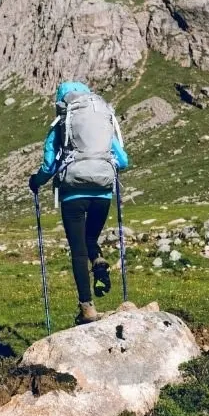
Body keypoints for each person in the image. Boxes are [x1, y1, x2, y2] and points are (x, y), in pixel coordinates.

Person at [28, 81, 130, 324]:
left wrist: (35, 181)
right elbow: (123, 161)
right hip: (102, 193)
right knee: (91, 238)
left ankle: (87, 309)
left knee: (78, 250)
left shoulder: (62, 123)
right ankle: (99, 259)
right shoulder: (103, 120)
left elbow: (49, 166)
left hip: (73, 194)